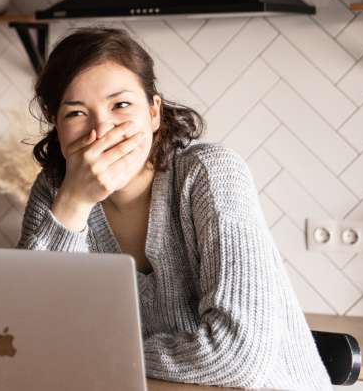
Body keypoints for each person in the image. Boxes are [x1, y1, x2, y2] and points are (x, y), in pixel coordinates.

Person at [17, 27, 332, 390]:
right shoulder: (56, 192)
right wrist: (75, 203)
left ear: (153, 112)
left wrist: (92, 353)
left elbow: (235, 355)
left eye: (121, 105)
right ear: (55, 122)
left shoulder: (208, 174)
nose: (101, 131)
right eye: (75, 113)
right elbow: (30, 334)